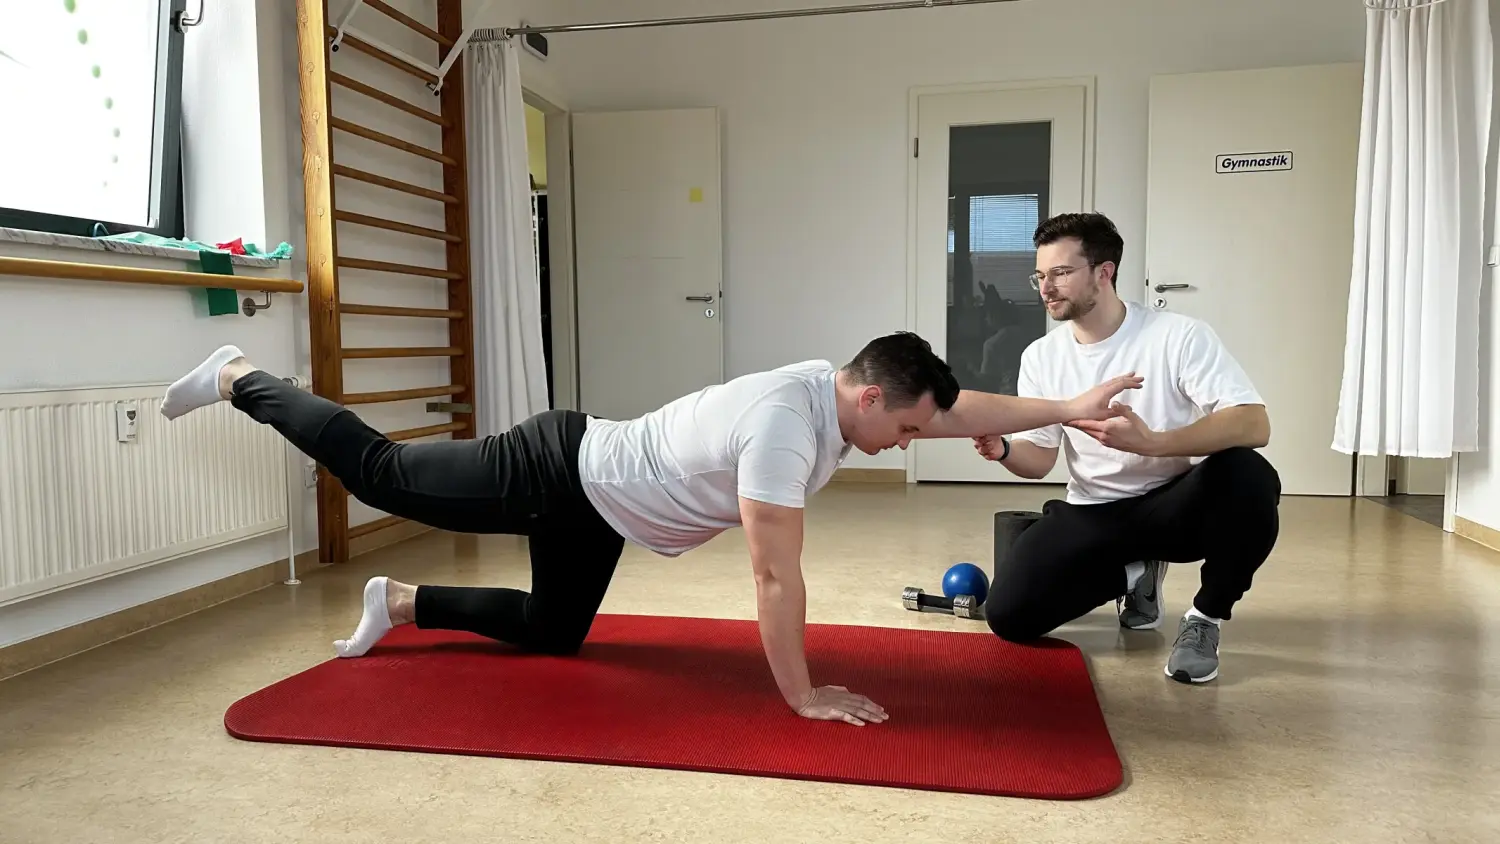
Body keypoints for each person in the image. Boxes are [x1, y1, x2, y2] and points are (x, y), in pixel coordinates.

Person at [160, 332, 1139, 724]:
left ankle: (404, 602)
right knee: (383, 475)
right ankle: (242, 377)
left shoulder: (854, 394)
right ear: (872, 394)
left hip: (600, 505)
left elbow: (964, 409)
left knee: (554, 631)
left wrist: (1066, 408)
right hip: (551, 467)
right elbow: (772, 579)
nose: (913, 441)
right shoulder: (783, 433)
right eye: (908, 428)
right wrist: (802, 695)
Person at [971, 212, 1281, 685]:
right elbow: (1040, 459)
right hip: (1094, 512)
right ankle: (1135, 575)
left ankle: (1204, 619)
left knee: (1250, 474)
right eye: (1040, 275)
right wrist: (1004, 450)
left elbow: (1253, 422)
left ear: (1104, 271)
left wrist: (1155, 444)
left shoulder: (1177, 335)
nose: (1046, 287)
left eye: (1060, 273)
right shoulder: (1040, 356)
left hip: (1172, 506)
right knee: (1009, 617)